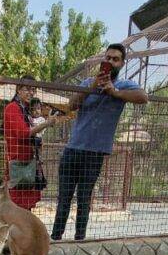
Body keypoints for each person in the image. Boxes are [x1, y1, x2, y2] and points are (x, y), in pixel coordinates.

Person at [51, 43, 148, 241]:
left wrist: (115, 93)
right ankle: (56, 238)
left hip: (95, 153)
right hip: (73, 149)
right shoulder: (88, 82)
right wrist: (94, 86)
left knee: (84, 198)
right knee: (64, 198)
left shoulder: (124, 86)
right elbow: (71, 105)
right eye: (107, 58)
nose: (110, 62)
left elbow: (143, 97)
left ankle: (80, 239)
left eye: (115, 59)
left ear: (121, 64)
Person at [2, 76, 55, 211]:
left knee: (25, 206)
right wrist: (46, 124)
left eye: (33, 90)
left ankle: (24, 231)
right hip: (19, 164)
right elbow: (23, 133)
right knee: (17, 206)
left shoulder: (25, 110)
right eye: (27, 89)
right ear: (18, 90)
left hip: (28, 163)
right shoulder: (12, 108)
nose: (31, 93)